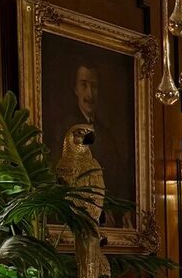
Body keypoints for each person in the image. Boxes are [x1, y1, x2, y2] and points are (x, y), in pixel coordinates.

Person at [49, 62, 134, 227]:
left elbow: (119, 176)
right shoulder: (64, 129)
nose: (89, 93)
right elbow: (62, 181)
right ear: (75, 89)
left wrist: (124, 209)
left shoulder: (106, 133)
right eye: (84, 85)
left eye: (94, 86)